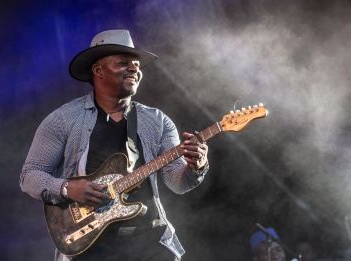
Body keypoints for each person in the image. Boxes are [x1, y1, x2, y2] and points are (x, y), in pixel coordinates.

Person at [19, 29, 209, 261]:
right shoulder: (63, 119)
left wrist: (196, 167)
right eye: (123, 63)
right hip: (90, 244)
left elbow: (177, 183)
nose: (134, 69)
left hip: (150, 240)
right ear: (98, 70)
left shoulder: (157, 121)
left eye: (137, 65)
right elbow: (29, 176)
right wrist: (67, 188)